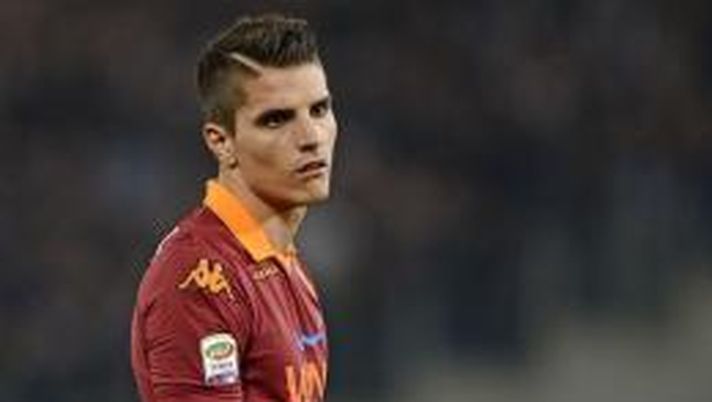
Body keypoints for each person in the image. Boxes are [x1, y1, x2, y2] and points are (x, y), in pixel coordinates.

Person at [131, 14, 338, 402]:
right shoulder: (200, 278)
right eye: (276, 120)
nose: (311, 136)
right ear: (221, 142)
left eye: (319, 109)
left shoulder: (284, 264)